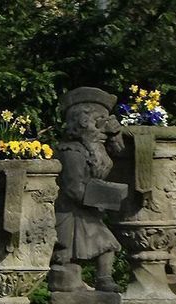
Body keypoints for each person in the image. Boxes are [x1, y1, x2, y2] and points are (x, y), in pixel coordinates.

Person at [50, 87, 128, 292]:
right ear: (82, 124)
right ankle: (86, 284)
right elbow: (73, 188)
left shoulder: (93, 149)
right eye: (98, 124)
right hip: (71, 213)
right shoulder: (71, 152)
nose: (104, 130)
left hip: (88, 211)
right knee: (72, 254)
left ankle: (103, 280)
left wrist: (115, 134)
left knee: (105, 245)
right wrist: (106, 198)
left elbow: (119, 152)